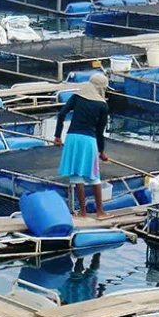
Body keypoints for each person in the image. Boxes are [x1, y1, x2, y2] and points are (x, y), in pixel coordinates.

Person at [54, 73, 109, 218]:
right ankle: (100, 212)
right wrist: (101, 152)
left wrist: (57, 136)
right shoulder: (102, 105)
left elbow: (61, 114)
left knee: (77, 176)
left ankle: (82, 212)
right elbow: (99, 132)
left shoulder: (77, 97)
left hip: (72, 138)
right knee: (94, 176)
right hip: (88, 140)